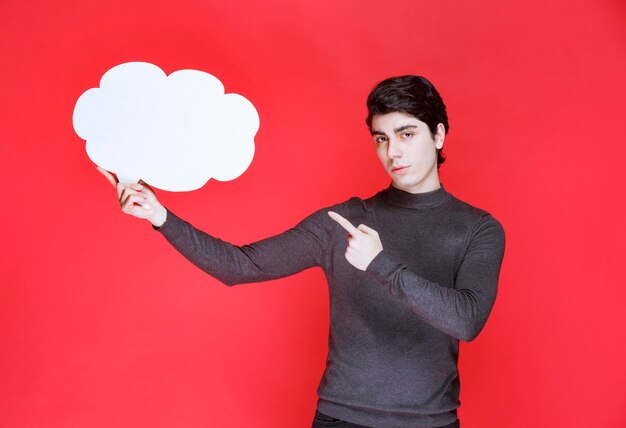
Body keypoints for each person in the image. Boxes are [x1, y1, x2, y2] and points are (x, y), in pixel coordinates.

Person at [99, 75, 505, 428]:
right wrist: (161, 217)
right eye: (381, 139)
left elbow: (466, 321)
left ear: (438, 135)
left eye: (406, 134)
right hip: (341, 418)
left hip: (429, 422)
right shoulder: (343, 221)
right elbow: (242, 266)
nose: (392, 152)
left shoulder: (478, 229)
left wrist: (380, 264)